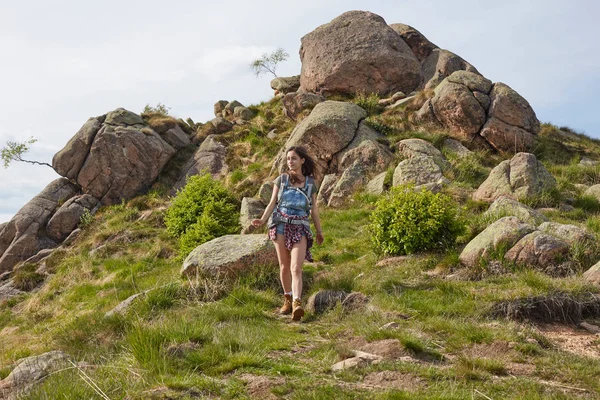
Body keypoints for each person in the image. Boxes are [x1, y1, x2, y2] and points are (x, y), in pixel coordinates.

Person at [252, 146, 324, 321]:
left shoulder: (310, 183)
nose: (290, 162)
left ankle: (297, 304)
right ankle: (287, 299)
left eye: (293, 158)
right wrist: (262, 220)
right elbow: (272, 203)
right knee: (284, 266)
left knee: (296, 267)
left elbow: (314, 211)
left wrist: (319, 231)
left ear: (302, 161)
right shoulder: (282, 179)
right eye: (288, 159)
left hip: (300, 227)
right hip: (280, 226)